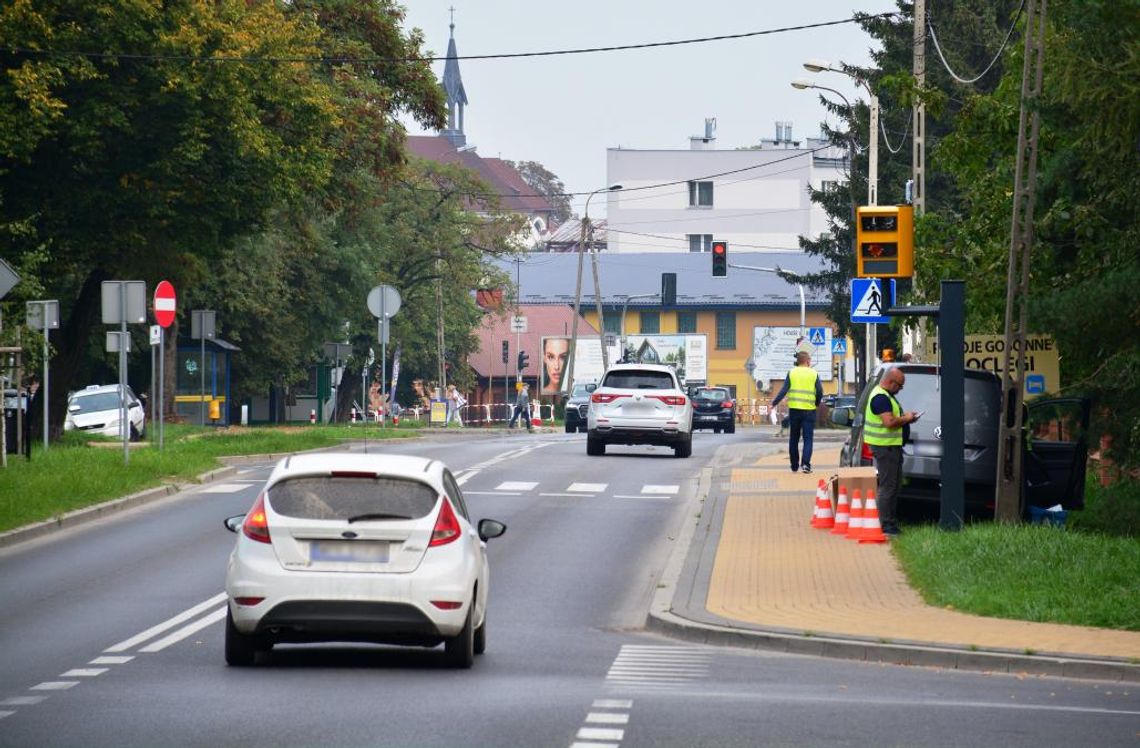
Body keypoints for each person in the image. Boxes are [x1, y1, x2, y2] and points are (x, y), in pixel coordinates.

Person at [864, 367, 920, 536]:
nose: (900, 389)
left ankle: (890, 522)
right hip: (885, 447)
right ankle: (885, 525)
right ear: (890, 382)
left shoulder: (885, 395)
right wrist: (907, 418)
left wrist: (908, 419)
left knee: (893, 485)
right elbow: (889, 422)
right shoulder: (881, 398)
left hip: (890, 447)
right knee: (888, 486)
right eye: (900, 385)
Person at [770, 350, 823, 473]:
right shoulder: (813, 373)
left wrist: (773, 403)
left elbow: (784, 390)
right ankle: (806, 465)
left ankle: (794, 465)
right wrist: (816, 403)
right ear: (807, 361)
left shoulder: (792, 373)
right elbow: (820, 391)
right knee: (808, 438)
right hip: (809, 410)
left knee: (794, 437)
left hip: (794, 410)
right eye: (810, 360)